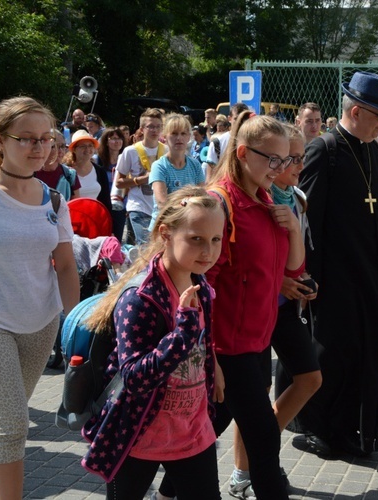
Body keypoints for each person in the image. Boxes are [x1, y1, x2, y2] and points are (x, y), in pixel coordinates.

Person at [81, 186, 224, 499]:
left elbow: (203, 341)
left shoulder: (199, 281)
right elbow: (133, 376)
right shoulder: (141, 298)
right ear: (167, 234)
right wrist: (183, 331)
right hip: (137, 435)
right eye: (196, 239)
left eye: (216, 239)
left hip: (191, 430)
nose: (208, 251)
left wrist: (214, 367)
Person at [0, 96, 79, 500]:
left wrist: (74, 326)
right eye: (27, 139)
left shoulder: (54, 199)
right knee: (13, 424)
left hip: (42, 324)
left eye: (46, 139)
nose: (40, 148)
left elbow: (66, 267)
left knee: (7, 423)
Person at [295, 71, 378, 457]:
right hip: (334, 279)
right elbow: (307, 221)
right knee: (331, 357)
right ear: (356, 111)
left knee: (362, 356)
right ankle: (319, 430)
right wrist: (308, 278)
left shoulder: (373, 150)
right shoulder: (325, 149)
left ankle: (352, 426)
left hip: (369, 276)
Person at [206, 112, 303, 498]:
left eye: (287, 160)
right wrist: (208, 356)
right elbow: (201, 285)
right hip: (227, 346)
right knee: (263, 438)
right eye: (273, 160)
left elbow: (293, 267)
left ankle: (163, 489)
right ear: (244, 153)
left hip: (257, 340)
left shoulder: (265, 199)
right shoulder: (220, 203)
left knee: (207, 428)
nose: (281, 169)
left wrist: (292, 226)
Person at [114, 108, 166, 244]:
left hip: (160, 208)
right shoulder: (130, 151)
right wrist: (141, 180)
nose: (154, 130)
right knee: (146, 246)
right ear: (142, 129)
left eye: (158, 126)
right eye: (150, 127)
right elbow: (118, 182)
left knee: (139, 249)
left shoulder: (166, 150)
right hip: (138, 206)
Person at [148, 114, 205, 228]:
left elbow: (202, 197)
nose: (179, 138)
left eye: (183, 133)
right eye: (174, 133)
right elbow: (162, 204)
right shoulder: (159, 166)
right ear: (165, 137)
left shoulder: (195, 165)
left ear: (189, 137)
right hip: (165, 227)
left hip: (189, 225)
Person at [94, 127, 127, 241]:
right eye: (113, 138)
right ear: (106, 142)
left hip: (119, 206)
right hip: (102, 205)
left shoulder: (126, 160)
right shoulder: (97, 160)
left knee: (116, 239)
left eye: (119, 138)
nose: (117, 141)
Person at [66, 130, 112, 212]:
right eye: (82, 146)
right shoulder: (66, 172)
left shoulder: (100, 171)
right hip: (72, 219)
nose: (87, 149)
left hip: (94, 219)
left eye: (90, 146)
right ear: (74, 149)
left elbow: (106, 201)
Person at [34, 128, 80, 201]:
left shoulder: (70, 174)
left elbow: (76, 206)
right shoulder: (31, 173)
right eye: (55, 146)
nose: (61, 151)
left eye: (63, 146)